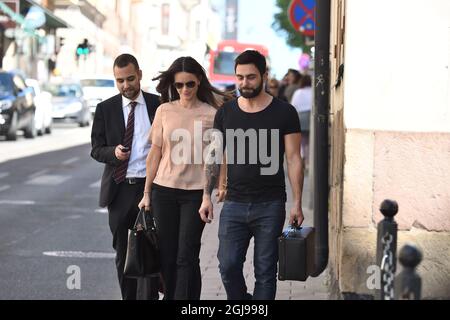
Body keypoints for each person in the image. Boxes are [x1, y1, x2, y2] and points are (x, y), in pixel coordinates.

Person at [199, 50, 305, 300]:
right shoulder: (226, 113)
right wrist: (206, 195)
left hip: (271, 204)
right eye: (239, 77)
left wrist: (297, 203)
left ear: (264, 76)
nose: (244, 83)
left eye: (250, 77)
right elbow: (214, 155)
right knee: (228, 265)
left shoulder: (285, 112)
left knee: (266, 271)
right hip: (234, 203)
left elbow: (293, 158)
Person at [138, 56, 229, 300]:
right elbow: (154, 154)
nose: (185, 89)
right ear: (173, 86)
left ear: (199, 81)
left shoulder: (212, 114)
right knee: (167, 254)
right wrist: (146, 193)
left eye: (190, 83)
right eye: (179, 85)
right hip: (163, 191)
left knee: (186, 255)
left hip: (196, 194)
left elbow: (218, 155)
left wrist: (219, 186)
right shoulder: (164, 111)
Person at [91, 53, 160, 300]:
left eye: (130, 79)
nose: (126, 85)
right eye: (120, 80)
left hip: (151, 188)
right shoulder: (105, 109)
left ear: (139, 74)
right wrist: (114, 153)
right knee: (123, 252)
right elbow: (96, 148)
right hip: (120, 190)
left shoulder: (158, 105)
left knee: (151, 249)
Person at [291, 74, 313, 168]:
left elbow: (293, 105)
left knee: (302, 141)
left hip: (300, 117)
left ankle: (303, 156)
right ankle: (309, 161)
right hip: (311, 116)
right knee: (310, 140)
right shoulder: (313, 91)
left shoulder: (298, 92)